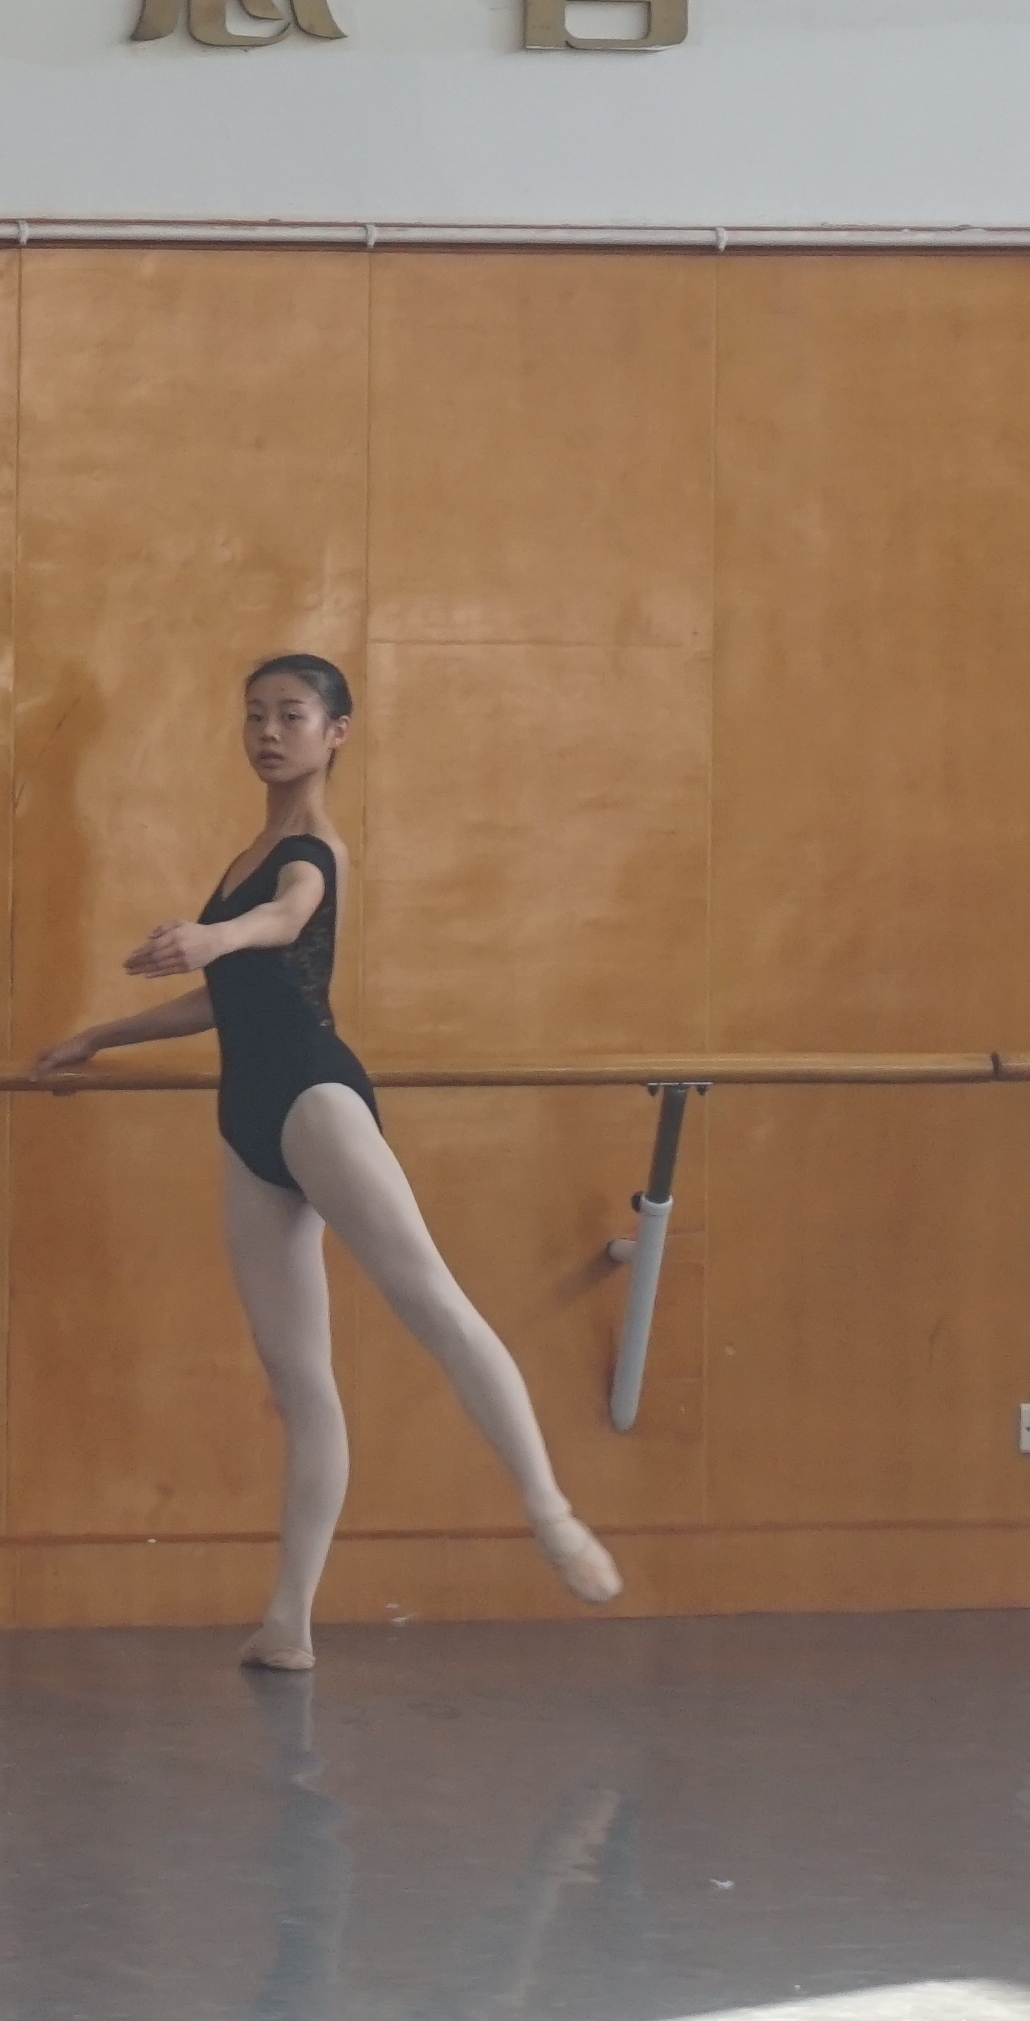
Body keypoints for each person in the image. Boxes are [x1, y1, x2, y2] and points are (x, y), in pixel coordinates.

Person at [31, 655, 621, 1669]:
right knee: (298, 1381)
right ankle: (288, 1622)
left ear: (335, 732)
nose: (269, 732)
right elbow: (231, 995)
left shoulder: (312, 851)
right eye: (255, 714)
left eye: (292, 715)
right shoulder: (246, 851)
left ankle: (550, 1511)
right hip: (247, 1122)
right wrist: (101, 1035)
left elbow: (286, 918)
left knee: (432, 1302)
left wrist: (217, 933)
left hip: (315, 1098)